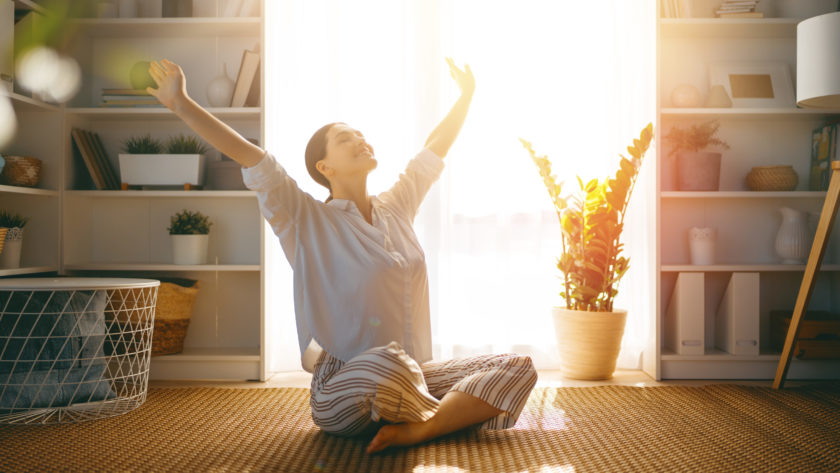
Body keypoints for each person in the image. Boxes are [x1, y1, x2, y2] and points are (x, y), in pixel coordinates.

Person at [146, 57, 537, 454]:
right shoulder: (304, 219)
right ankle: (448, 413)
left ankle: (420, 429)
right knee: (389, 363)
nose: (360, 140)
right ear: (324, 166)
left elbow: (431, 152)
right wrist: (181, 103)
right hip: (345, 383)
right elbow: (251, 157)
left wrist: (466, 96)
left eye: (362, 134)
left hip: (413, 374)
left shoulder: (397, 207)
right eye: (346, 138)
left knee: (518, 366)